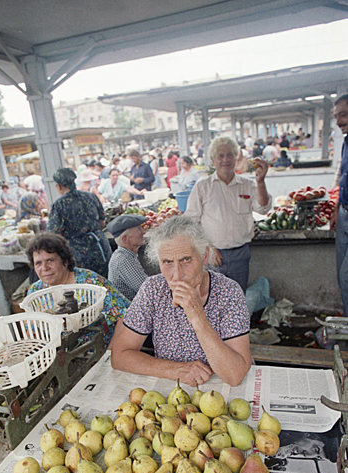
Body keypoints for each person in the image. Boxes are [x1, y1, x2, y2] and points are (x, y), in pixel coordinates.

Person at [111, 215, 252, 387]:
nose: (177, 275)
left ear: (205, 256)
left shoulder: (228, 292)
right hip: (173, 390)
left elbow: (235, 375)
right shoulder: (153, 289)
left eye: (186, 260)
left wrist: (197, 316)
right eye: (167, 262)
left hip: (219, 389)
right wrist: (175, 370)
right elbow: (119, 355)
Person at [185, 136, 271, 292]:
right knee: (213, 302)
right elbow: (190, 222)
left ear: (236, 157)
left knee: (238, 300)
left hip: (240, 254)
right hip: (212, 256)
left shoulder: (248, 184)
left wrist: (261, 182)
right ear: (212, 160)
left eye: (230, 155)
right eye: (220, 155)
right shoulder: (202, 187)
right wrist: (207, 248)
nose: (226, 159)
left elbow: (263, 209)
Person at [26, 233, 129, 349]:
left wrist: (111, 353)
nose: (44, 268)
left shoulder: (90, 282)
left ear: (65, 261)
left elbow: (124, 315)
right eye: (38, 263)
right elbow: (31, 329)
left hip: (96, 351)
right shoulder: (35, 292)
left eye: (50, 260)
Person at [48, 167, 112, 278]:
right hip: (100, 248)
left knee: (86, 287)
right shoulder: (91, 197)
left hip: (78, 254)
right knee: (106, 283)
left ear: (58, 186)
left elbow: (55, 237)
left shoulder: (59, 205)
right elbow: (102, 223)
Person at [330, 94, 348, 315]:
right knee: (341, 277)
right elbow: (344, 179)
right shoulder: (346, 143)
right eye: (336, 116)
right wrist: (335, 209)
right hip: (343, 215)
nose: (338, 122)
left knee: (346, 277)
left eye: (342, 115)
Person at [107, 214, 148, 301]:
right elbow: (148, 290)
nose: (143, 232)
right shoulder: (124, 259)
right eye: (138, 229)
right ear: (125, 239)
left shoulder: (125, 254)